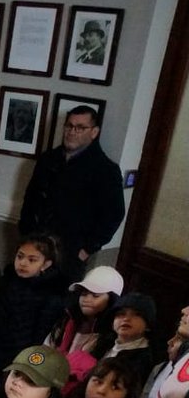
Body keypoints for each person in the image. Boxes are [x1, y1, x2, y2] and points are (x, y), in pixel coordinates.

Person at [19, 105, 125, 281]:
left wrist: (87, 249)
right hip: (35, 245)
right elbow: (30, 199)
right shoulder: (48, 159)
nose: (72, 132)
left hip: (70, 253)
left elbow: (114, 214)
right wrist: (25, 233)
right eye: (69, 126)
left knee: (57, 300)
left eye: (80, 127)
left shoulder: (105, 169)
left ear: (94, 132)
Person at [0, 234, 67, 378]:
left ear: (46, 264)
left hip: (20, 359)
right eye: (20, 256)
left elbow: (40, 335)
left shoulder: (51, 296)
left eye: (32, 260)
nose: (23, 263)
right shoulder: (3, 283)